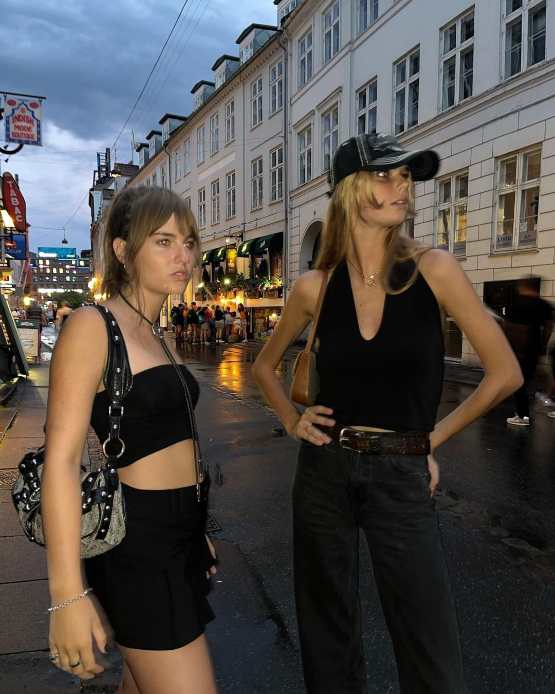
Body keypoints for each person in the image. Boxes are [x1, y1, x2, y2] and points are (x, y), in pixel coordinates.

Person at [252, 133, 523, 694]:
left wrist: (429, 441)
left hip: (401, 472)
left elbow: (505, 374)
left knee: (428, 642)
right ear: (349, 190)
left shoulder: (434, 268)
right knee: (327, 632)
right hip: (324, 471)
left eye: (406, 177)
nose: (402, 187)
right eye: (385, 175)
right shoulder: (314, 287)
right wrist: (291, 420)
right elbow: (264, 367)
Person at [42, 186, 218, 693]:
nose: (183, 255)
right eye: (163, 241)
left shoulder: (157, 331)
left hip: (181, 534)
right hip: (139, 544)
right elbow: (61, 462)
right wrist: (67, 596)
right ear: (122, 250)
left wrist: (196, 527)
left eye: (188, 242)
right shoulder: (93, 325)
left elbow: (172, 436)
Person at [504, 277, 553, 426]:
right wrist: (542, 345)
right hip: (534, 349)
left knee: (519, 383)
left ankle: (523, 415)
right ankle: (529, 408)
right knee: (528, 379)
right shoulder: (544, 305)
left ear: (524, 287)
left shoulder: (516, 304)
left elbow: (509, 328)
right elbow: (549, 327)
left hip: (518, 350)